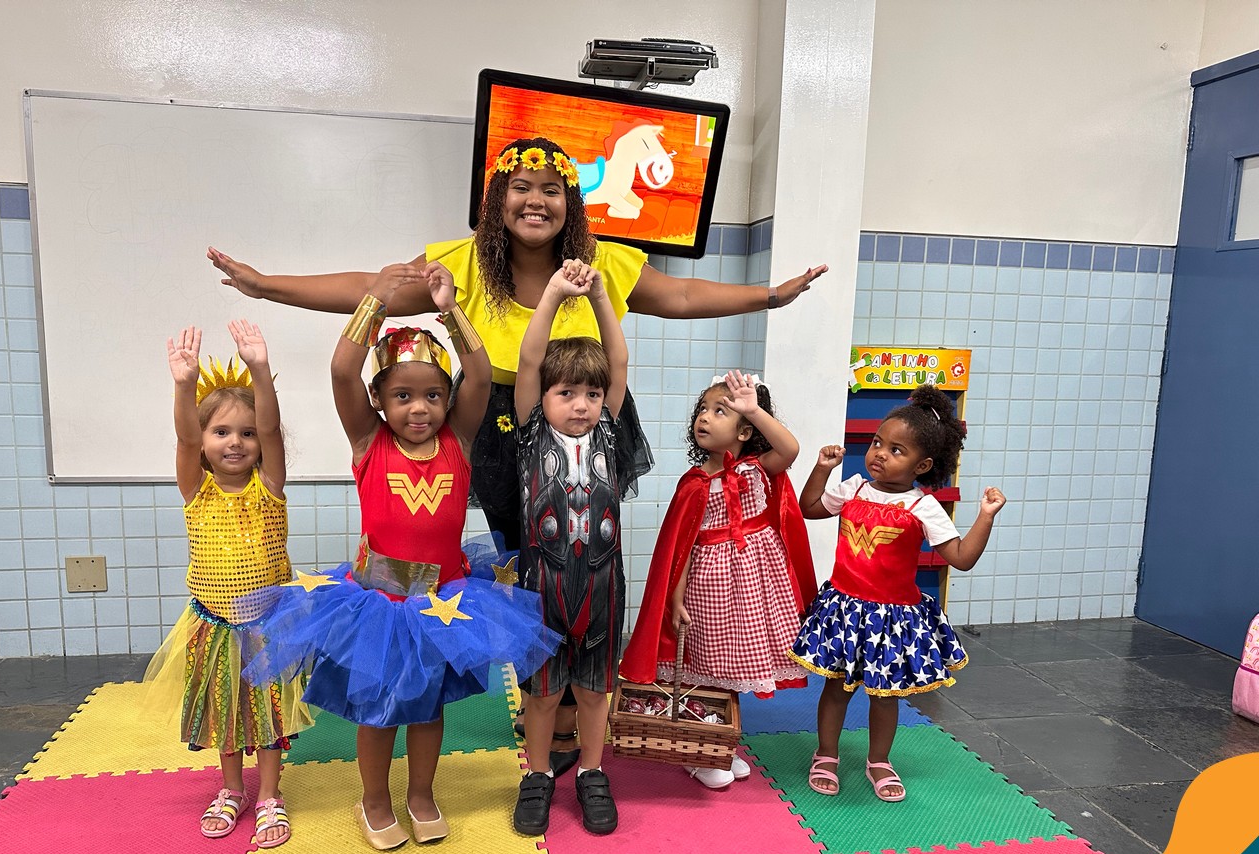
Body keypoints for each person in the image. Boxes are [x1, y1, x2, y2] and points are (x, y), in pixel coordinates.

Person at [208, 134, 826, 773]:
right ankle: (542, 699)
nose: (536, 201)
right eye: (521, 188)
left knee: (583, 555)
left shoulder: (603, 263)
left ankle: (574, 706)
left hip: (586, 416)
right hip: (496, 419)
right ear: (498, 201)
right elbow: (372, 286)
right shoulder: (464, 263)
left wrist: (770, 297)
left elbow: (684, 296)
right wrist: (265, 286)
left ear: (570, 203)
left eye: (551, 190)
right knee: (527, 566)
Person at [241, 263, 559, 850]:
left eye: (434, 395)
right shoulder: (369, 442)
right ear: (378, 400)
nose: (420, 408)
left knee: (428, 707)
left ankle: (421, 795)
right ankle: (374, 800)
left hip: (443, 599)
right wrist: (374, 301)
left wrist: (452, 310)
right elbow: (342, 371)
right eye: (403, 396)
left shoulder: (458, 441)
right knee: (377, 709)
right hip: (378, 604)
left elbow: (481, 374)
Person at [789, 384, 1007, 802]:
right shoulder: (853, 488)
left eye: (896, 450)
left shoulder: (923, 507)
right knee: (836, 688)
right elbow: (809, 508)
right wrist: (822, 468)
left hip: (891, 619)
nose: (879, 454)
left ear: (921, 465)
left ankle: (879, 761)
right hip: (845, 610)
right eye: (877, 443)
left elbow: (961, 558)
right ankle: (826, 754)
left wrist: (985, 516)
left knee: (885, 696)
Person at [144, 320, 312, 849]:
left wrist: (261, 369)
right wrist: (184, 385)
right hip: (213, 624)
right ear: (204, 442)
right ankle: (233, 789)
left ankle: (270, 795)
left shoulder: (270, 487)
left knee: (269, 713)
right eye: (221, 432)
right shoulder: (197, 490)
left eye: (245, 432)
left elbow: (272, 431)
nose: (235, 442)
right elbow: (184, 436)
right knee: (225, 711)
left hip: (267, 624)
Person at [619, 371, 817, 789]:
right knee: (704, 669)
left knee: (734, 666)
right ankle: (700, 751)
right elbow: (681, 549)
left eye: (720, 411)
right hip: (711, 586)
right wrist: (675, 600)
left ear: (745, 431)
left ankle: (721, 745)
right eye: (703, 410)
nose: (705, 418)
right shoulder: (694, 483)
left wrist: (753, 410)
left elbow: (790, 449)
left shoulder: (756, 470)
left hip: (755, 586)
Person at [511, 259, 632, 837]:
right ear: (544, 397)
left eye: (591, 394)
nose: (581, 404)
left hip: (604, 587)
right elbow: (529, 360)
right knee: (542, 694)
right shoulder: (532, 433)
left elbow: (618, 361)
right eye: (566, 393)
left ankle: (590, 772)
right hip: (542, 588)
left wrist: (602, 297)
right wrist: (555, 294)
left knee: (593, 691)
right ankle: (537, 775)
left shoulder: (609, 432)